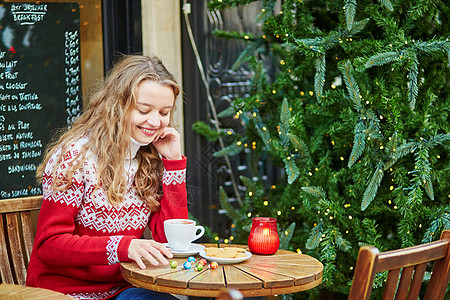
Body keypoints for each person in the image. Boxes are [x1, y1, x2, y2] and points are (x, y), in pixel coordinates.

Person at [26, 55, 188, 300]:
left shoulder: (149, 159)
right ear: (118, 105)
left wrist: (173, 164)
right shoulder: (75, 157)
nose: (155, 121)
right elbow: (49, 245)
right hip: (65, 292)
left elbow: (172, 241)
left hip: (123, 289)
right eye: (144, 110)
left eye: (164, 112)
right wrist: (123, 246)